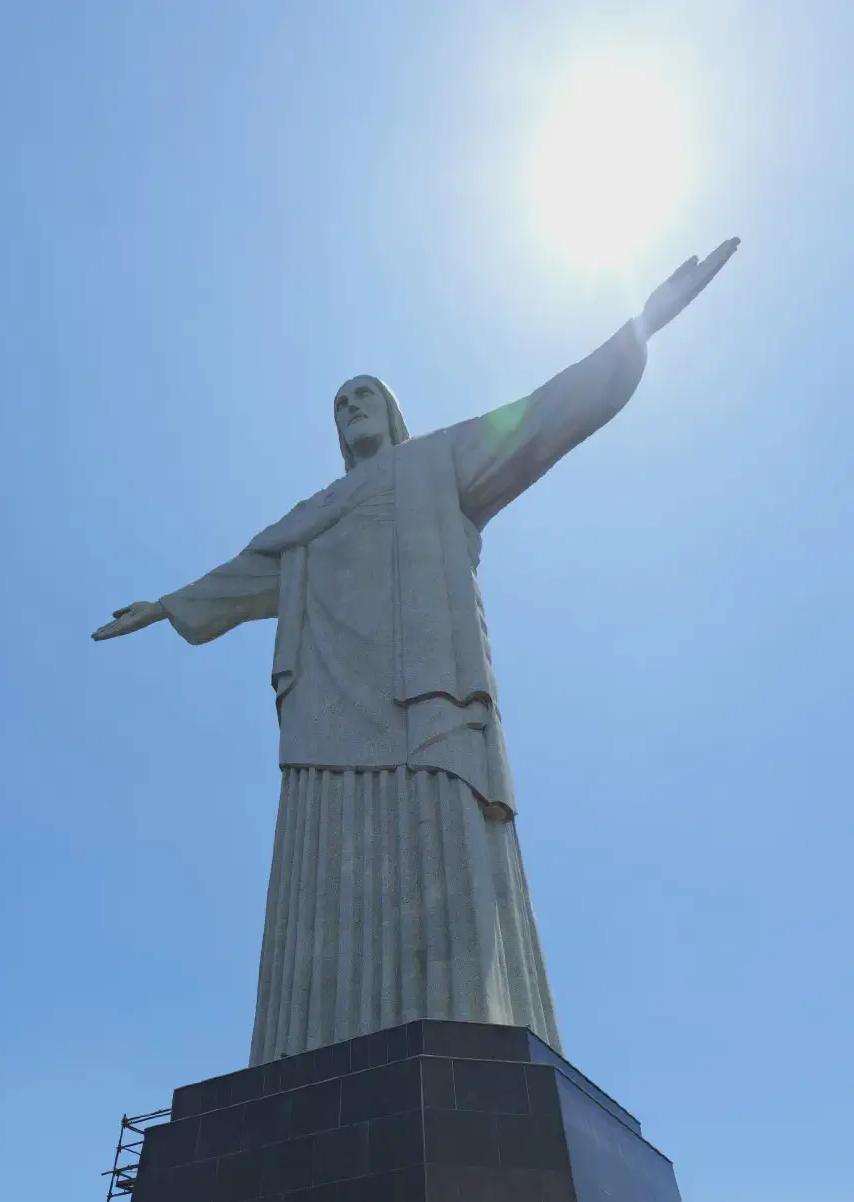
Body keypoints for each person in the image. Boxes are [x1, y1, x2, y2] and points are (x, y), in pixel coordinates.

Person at [93, 240, 740, 1064]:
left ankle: (459, 1035)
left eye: (365, 394)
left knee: (445, 858)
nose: (351, 404)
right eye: (338, 401)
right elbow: (243, 573)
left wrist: (640, 329)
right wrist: (165, 606)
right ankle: (310, 1054)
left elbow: (548, 413)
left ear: (393, 412)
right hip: (329, 724)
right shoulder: (313, 513)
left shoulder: (442, 461)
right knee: (322, 878)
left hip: (426, 700)